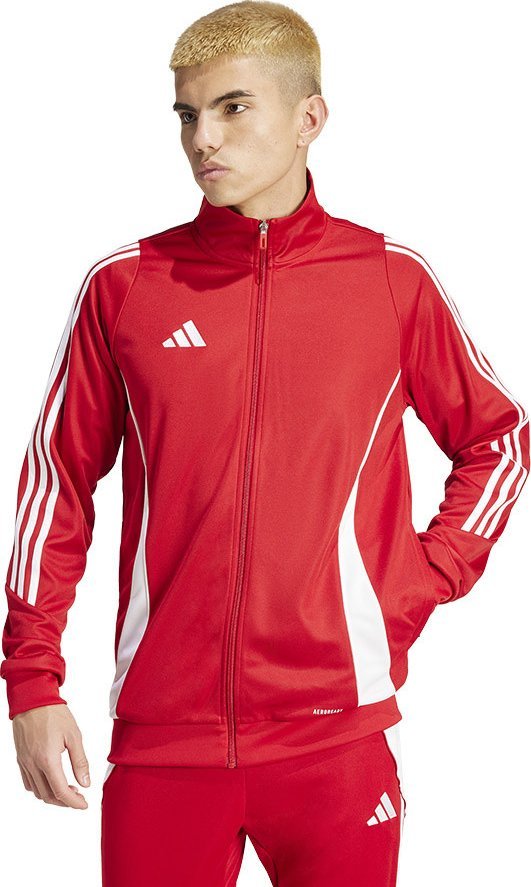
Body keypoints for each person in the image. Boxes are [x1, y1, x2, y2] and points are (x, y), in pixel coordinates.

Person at [1, 2, 529, 885]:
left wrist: (419, 578)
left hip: (337, 743)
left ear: (308, 117)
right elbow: (57, 482)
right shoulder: (127, 287)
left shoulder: (389, 282)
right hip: (164, 743)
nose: (201, 139)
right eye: (186, 114)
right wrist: (32, 679)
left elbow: (499, 438)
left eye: (232, 107)